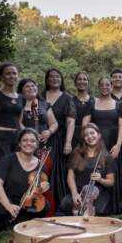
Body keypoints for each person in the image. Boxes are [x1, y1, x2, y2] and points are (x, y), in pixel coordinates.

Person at [0, 128, 51, 231]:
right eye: (24, 140)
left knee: (45, 206)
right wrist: (8, 205)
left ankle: (21, 220)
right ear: (19, 143)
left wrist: (44, 186)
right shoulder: (8, 159)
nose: (28, 143)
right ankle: (6, 221)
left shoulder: (41, 165)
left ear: (36, 144)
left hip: (26, 201)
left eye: (32, 141)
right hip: (6, 197)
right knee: (1, 212)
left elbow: (39, 187)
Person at [84, 76, 122, 213]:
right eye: (102, 85)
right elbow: (86, 124)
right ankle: (93, 204)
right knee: (96, 170)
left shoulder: (118, 104)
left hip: (112, 142)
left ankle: (114, 206)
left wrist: (118, 145)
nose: (105, 87)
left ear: (112, 86)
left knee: (111, 170)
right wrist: (88, 140)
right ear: (98, 87)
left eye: (108, 85)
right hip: (95, 141)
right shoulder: (91, 103)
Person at [60, 123, 115, 215]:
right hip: (79, 192)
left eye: (92, 133)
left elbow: (111, 182)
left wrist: (100, 179)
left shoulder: (106, 156)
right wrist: (74, 194)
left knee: (99, 210)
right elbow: (70, 177)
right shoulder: (77, 153)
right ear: (84, 139)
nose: (89, 137)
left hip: (97, 194)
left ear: (99, 135)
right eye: (86, 135)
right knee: (65, 203)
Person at [42, 68, 76, 206]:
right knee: (43, 169)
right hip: (42, 138)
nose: (55, 79)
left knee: (58, 170)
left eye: (57, 77)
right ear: (47, 79)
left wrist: (68, 142)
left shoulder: (67, 98)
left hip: (61, 139)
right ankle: (41, 201)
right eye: (51, 77)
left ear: (61, 80)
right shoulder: (41, 96)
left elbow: (71, 121)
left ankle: (57, 203)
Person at [0, 63, 22, 162]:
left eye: (14, 73)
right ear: (2, 77)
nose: (12, 76)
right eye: (8, 74)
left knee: (17, 169)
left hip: (18, 138)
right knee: (5, 167)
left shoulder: (21, 98)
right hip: (1, 138)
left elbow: (20, 122)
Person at [71, 71, 94, 150]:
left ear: (88, 82)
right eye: (79, 79)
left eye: (84, 79)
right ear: (75, 83)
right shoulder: (70, 101)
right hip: (73, 137)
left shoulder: (94, 100)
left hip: (90, 136)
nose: (82, 81)